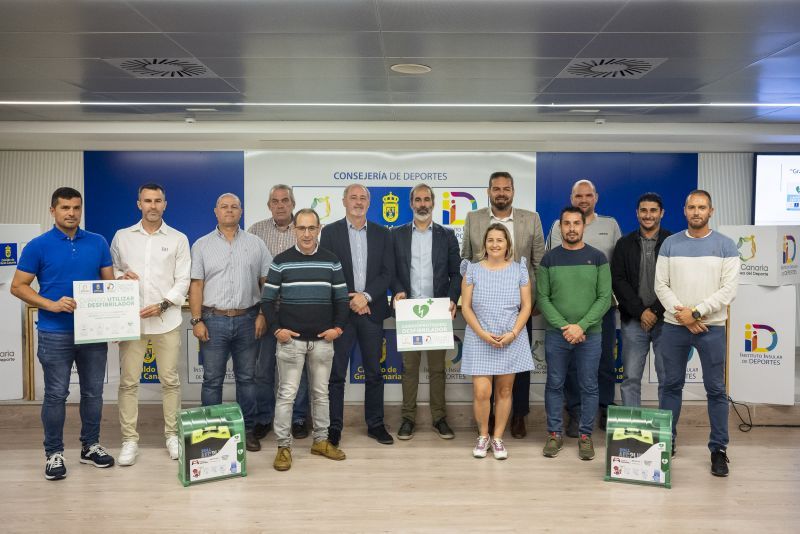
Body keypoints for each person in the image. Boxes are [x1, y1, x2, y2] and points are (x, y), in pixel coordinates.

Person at [10, 187, 116, 480]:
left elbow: (109, 286)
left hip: (92, 332)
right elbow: (17, 286)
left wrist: (123, 283)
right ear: (52, 211)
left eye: (76, 208)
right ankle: (53, 453)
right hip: (54, 332)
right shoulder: (38, 245)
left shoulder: (97, 242)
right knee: (56, 394)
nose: (71, 213)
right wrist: (51, 304)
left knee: (93, 393)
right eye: (65, 208)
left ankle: (90, 446)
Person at [654, 190, 738, 477]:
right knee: (670, 386)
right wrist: (684, 316)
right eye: (691, 207)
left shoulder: (726, 246)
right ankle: (667, 442)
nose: (696, 212)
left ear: (711, 211)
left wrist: (697, 312)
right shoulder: (669, 244)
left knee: (716, 390)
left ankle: (719, 450)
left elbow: (729, 290)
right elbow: (661, 285)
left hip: (711, 328)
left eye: (702, 207)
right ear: (684, 210)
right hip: (675, 327)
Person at [262, 208, 350, 471]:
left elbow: (342, 300)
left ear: (319, 229)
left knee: (321, 395)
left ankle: (321, 442)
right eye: (302, 228)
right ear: (294, 230)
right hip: (290, 343)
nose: (307, 233)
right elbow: (267, 301)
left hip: (323, 342)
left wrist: (338, 329)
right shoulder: (281, 261)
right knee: (287, 396)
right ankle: (283, 447)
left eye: (312, 228)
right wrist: (278, 330)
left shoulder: (331, 261)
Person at [111, 183, 191, 466]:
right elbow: (111, 270)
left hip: (166, 321)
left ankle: (172, 435)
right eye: (148, 201)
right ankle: (130, 441)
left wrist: (164, 304)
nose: (153, 206)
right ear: (139, 204)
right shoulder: (122, 237)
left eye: (158, 201)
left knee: (170, 381)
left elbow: (183, 279)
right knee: (129, 383)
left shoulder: (179, 238)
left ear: (165, 204)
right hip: (131, 322)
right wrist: (120, 276)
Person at [461, 171, 544, 439]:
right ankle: (488, 422)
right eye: (496, 189)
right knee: (485, 383)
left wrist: (536, 301)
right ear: (488, 191)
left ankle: (518, 415)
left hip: (519, 306)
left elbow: (539, 262)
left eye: (506, 189)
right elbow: (465, 258)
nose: (501, 193)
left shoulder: (530, 219)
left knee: (515, 369)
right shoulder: (474, 219)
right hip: (482, 309)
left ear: (513, 191)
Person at [189, 193, 272, 452]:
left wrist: (263, 314)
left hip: (249, 319)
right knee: (212, 380)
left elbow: (266, 283)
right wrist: (196, 320)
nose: (229, 211)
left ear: (241, 211)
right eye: (224, 207)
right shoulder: (201, 245)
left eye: (234, 207)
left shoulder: (256, 244)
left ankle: (247, 430)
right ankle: (211, 433)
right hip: (213, 320)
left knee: (247, 379)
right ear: (216, 211)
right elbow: (197, 285)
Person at [320, 184, 395, 446]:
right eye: (353, 197)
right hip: (341, 313)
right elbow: (328, 272)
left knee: (375, 372)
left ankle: (375, 424)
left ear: (369, 203)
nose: (358, 202)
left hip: (372, 311)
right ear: (343, 201)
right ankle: (334, 428)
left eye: (363, 198)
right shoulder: (329, 232)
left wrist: (366, 297)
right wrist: (351, 298)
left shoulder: (382, 233)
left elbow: (388, 272)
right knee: (337, 374)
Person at [546, 179, 621, 436]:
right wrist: (569, 325)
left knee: (604, 364)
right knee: (572, 370)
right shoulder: (557, 226)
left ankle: (604, 410)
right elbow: (551, 262)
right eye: (579, 195)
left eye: (589, 195)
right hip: (565, 317)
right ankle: (575, 413)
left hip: (601, 310)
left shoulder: (610, 225)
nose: (584, 199)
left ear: (596, 198)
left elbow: (618, 265)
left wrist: (586, 322)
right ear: (572, 197)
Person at [538, 207, 611, 461]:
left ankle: (585, 436)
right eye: (566, 224)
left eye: (576, 223)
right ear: (560, 227)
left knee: (589, 386)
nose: (571, 228)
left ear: (583, 227)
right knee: (554, 385)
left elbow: (604, 299)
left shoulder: (598, 258)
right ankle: (554, 434)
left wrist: (581, 326)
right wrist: (565, 327)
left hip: (590, 335)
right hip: (558, 335)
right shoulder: (549, 259)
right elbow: (543, 298)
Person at [392, 184, 462, 440]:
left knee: (437, 370)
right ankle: (408, 418)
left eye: (427, 199)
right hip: (409, 312)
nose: (423, 204)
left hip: (437, 311)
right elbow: (391, 271)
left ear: (433, 203)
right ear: (411, 204)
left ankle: (439, 418)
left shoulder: (447, 235)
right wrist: (398, 290)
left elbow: (456, 273)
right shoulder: (397, 235)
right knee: (409, 369)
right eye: (418, 200)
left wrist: (453, 299)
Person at [460, 223, 533, 460]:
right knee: (482, 392)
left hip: (510, 338)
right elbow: (466, 307)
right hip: (480, 337)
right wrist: (482, 333)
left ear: (507, 245)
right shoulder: (471, 269)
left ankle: (499, 438)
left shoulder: (519, 270)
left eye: (499, 240)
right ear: (484, 244)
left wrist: (512, 333)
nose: (494, 244)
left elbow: (527, 306)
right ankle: (484, 435)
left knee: (505, 390)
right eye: (490, 240)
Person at [247, 184, 311, 441]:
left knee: (300, 370)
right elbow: (250, 275)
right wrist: (262, 312)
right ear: (269, 205)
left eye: (285, 200)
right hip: (266, 312)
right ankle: (264, 418)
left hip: (298, 313)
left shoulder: (306, 230)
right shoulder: (256, 232)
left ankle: (298, 418)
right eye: (275, 201)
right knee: (263, 370)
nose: (281, 205)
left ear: (293, 203)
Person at [611, 192, 671, 408]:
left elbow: (676, 282)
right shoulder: (623, 244)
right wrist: (640, 312)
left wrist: (654, 311)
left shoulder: (672, 242)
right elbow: (618, 281)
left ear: (661, 213)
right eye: (644, 210)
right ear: (637, 213)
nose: (648, 215)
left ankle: (667, 433)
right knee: (630, 379)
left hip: (666, 321)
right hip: (633, 322)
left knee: (667, 380)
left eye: (653, 210)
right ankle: (631, 432)